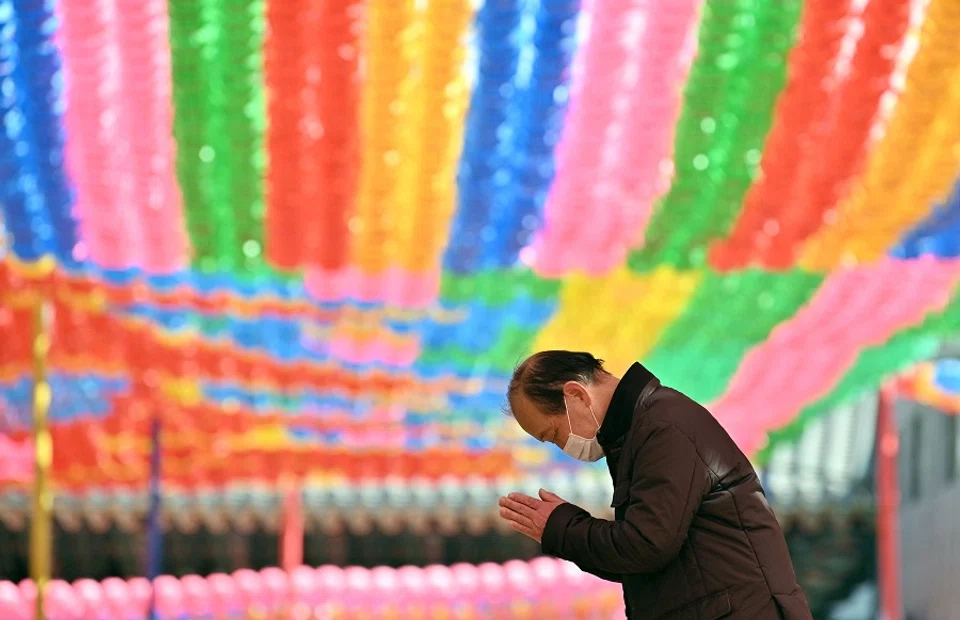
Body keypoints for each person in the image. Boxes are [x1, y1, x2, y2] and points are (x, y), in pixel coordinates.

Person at [498, 351, 812, 619]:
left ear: (577, 395)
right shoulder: (636, 433)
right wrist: (560, 532)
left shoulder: (662, 427)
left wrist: (562, 528)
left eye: (553, 434)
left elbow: (647, 545)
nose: (561, 446)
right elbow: (638, 563)